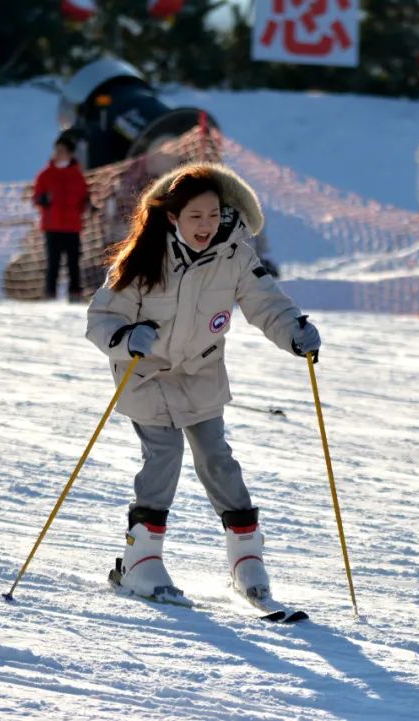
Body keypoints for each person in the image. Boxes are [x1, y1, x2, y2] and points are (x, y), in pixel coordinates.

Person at [86, 162, 321, 604]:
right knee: (164, 455)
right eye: (195, 217)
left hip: (201, 373)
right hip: (147, 373)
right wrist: (125, 338)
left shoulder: (235, 254)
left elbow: (265, 302)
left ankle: (246, 556)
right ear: (173, 217)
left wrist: (294, 331)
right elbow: (102, 318)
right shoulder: (142, 256)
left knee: (217, 459)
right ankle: (141, 562)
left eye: (213, 216)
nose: (206, 226)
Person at [32, 132, 89, 301]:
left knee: (74, 263)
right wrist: (43, 199)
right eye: (56, 150)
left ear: (70, 154)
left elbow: (84, 197)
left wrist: (88, 204)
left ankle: (75, 294)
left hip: (72, 226)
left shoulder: (78, 176)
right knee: (53, 263)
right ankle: (50, 294)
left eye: (62, 151)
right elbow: (36, 197)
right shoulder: (45, 175)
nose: (58, 154)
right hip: (52, 226)